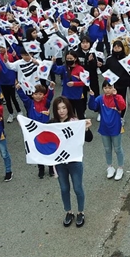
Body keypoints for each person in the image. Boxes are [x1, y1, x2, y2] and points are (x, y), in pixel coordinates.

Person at [51, 97, 91, 228]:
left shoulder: (75, 122)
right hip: (60, 162)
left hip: (74, 161)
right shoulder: (52, 123)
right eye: (58, 108)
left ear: (68, 108)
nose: (61, 111)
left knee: (78, 188)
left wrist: (86, 129)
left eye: (64, 107)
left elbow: (89, 138)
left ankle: (81, 212)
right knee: (64, 188)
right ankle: (69, 212)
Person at [88, 81, 126, 181]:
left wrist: (116, 96)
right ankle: (110, 167)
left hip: (116, 127)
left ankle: (120, 168)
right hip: (104, 128)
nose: (107, 89)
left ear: (113, 87)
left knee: (118, 149)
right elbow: (92, 107)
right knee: (107, 149)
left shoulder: (118, 97)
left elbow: (122, 106)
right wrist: (91, 97)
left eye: (109, 87)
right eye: (105, 88)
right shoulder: (100, 98)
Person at [17, 82, 56, 178]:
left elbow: (50, 96)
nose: (38, 96)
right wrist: (19, 89)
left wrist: (51, 88)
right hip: (34, 130)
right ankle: (41, 168)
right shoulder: (29, 103)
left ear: (43, 95)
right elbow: (23, 98)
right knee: (37, 149)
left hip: (45, 128)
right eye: (35, 94)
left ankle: (51, 167)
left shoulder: (46, 103)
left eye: (40, 94)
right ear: (32, 95)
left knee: (48, 148)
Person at [52, 51, 87, 119]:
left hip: (77, 96)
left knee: (80, 115)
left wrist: (74, 84)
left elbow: (84, 82)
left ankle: (85, 128)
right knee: (70, 115)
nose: (69, 60)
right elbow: (56, 70)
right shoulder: (64, 67)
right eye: (67, 58)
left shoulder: (80, 69)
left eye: (71, 58)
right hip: (66, 96)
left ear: (75, 58)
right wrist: (54, 63)